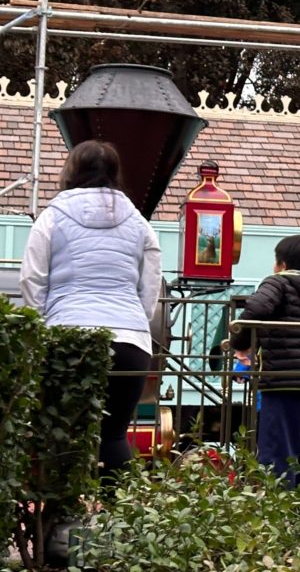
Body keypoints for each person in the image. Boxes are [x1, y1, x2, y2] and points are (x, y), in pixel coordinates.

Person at [19, 140, 162, 490]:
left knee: (61, 435)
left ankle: (59, 530)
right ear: (115, 173)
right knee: (113, 436)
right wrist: (134, 322)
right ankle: (122, 525)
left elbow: (32, 279)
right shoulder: (139, 223)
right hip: (130, 341)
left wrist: (41, 330)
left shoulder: (51, 217)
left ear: (71, 171)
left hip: (68, 337)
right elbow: (151, 284)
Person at [230, 234, 300, 487]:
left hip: (283, 377)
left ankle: (278, 515)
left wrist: (240, 344)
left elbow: (255, 311)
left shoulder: (278, 282)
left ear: (282, 263)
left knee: (277, 451)